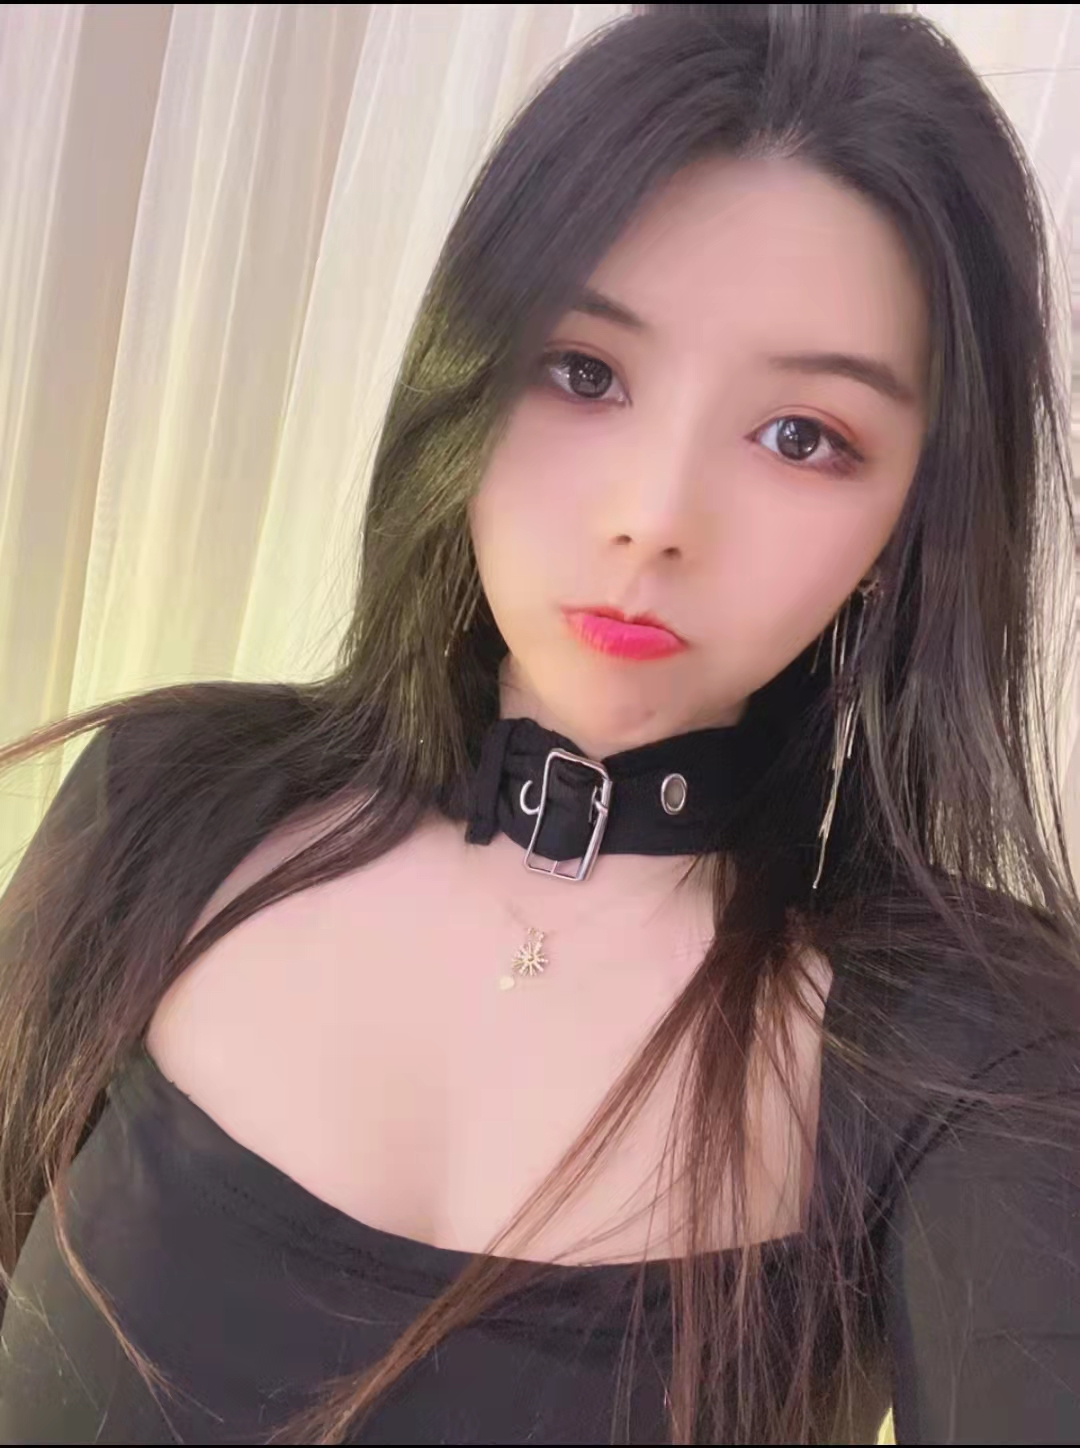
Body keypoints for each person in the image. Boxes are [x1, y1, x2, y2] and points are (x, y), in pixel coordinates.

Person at [0, 4, 1078, 1444]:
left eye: (803, 436)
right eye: (584, 370)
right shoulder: (162, 802)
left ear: (910, 522)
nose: (654, 517)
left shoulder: (975, 1045)